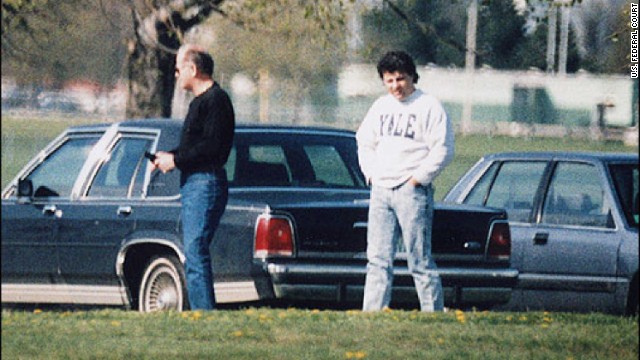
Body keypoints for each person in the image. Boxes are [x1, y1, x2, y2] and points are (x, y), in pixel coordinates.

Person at [356, 50, 454, 312]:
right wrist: (372, 174)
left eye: (400, 79)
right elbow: (364, 142)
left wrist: (416, 180)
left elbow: (443, 149)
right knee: (378, 260)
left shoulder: (429, 106)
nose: (395, 86)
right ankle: (372, 315)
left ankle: (433, 314)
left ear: (411, 76)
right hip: (381, 190)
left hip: (411, 192)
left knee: (419, 260)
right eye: (389, 81)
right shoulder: (380, 107)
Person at [153, 44, 235, 310]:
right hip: (193, 183)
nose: (176, 75)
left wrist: (176, 159)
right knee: (193, 251)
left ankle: (204, 314)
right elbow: (194, 147)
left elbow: (211, 147)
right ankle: (200, 311)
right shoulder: (198, 103)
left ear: (192, 68)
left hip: (205, 183)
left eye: (178, 69)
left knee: (195, 250)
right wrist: (170, 157)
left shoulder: (216, 100)